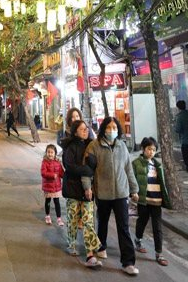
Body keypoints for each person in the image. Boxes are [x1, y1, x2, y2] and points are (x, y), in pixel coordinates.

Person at [84, 117, 140, 276]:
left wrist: (134, 189)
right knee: (102, 222)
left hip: (121, 193)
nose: (111, 130)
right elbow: (87, 170)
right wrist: (88, 187)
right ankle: (101, 247)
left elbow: (128, 169)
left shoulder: (122, 146)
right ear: (103, 129)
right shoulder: (94, 146)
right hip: (102, 193)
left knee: (124, 227)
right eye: (108, 127)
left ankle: (128, 262)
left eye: (114, 127)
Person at [61, 120, 101, 267]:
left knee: (88, 220)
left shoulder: (91, 145)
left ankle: (90, 252)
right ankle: (71, 243)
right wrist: (85, 170)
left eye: (86, 129)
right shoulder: (70, 147)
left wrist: (89, 172)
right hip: (72, 189)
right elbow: (69, 167)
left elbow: (95, 165)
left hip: (88, 190)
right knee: (72, 219)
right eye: (82, 129)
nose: (85, 131)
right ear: (75, 131)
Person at [132, 137, 171, 266]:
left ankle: (159, 253)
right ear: (143, 149)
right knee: (142, 221)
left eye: (153, 150)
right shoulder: (136, 163)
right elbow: (132, 179)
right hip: (143, 200)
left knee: (157, 227)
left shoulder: (157, 164)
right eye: (149, 149)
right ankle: (138, 240)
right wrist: (134, 193)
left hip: (156, 200)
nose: (151, 152)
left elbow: (162, 183)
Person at [41, 144, 64, 226]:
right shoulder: (44, 162)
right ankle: (47, 216)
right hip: (48, 186)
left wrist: (65, 176)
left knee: (57, 202)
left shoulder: (58, 162)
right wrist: (52, 175)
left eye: (52, 152)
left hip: (57, 186)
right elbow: (43, 173)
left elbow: (61, 173)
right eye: (48, 152)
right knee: (48, 201)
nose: (50, 154)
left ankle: (59, 218)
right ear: (46, 153)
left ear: (55, 153)